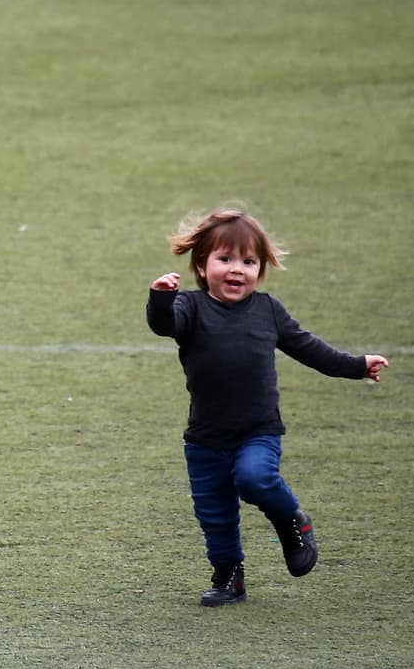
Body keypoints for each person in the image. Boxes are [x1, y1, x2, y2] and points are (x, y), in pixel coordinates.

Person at [145, 208, 388, 607]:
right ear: (202, 267)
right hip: (205, 438)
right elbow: (163, 324)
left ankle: (292, 521)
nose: (237, 269)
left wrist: (355, 366)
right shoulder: (190, 308)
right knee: (215, 514)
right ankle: (229, 577)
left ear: (260, 269)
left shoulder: (268, 310)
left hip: (258, 430)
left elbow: (310, 349)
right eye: (225, 259)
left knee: (255, 478)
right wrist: (160, 297)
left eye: (248, 261)